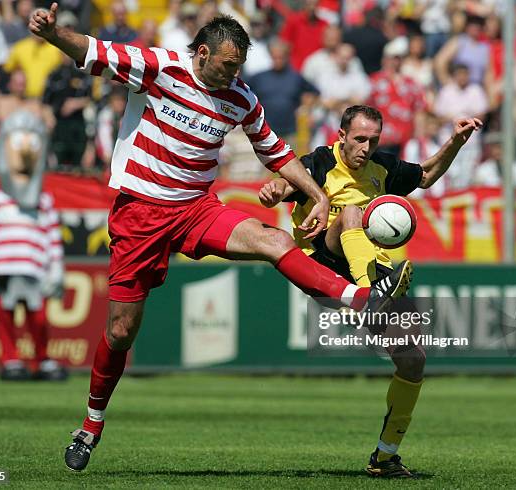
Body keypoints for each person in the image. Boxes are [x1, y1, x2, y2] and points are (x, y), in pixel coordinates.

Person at [28, 4, 411, 472]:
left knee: (273, 241)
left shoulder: (242, 97)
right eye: (228, 64)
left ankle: (359, 299)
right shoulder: (159, 67)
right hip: (140, 213)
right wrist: (51, 33)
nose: (234, 74)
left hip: (195, 209)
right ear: (204, 52)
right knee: (121, 331)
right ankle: (91, 423)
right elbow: (91, 48)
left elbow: (275, 151)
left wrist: (319, 196)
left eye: (240, 67)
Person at [258, 105, 482, 478]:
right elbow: (285, 182)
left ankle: (385, 456)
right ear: (341, 135)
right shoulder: (317, 163)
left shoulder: (382, 167)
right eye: (359, 139)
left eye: (373, 141)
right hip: (325, 264)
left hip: (371, 269)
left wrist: (455, 142)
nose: (366, 147)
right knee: (350, 214)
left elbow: (425, 175)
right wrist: (273, 190)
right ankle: (371, 295)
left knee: (413, 359)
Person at [0, 110, 68, 381]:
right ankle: (10, 359)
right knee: (5, 313)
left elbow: (52, 236)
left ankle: (41, 358)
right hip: (3, 265)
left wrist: (55, 267)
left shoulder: (43, 200)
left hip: (32, 266)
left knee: (38, 314)